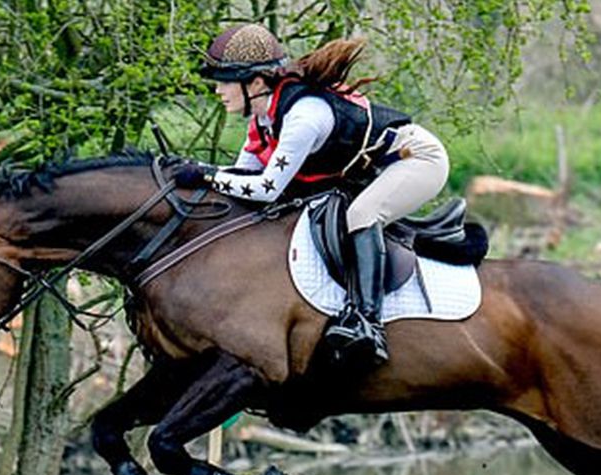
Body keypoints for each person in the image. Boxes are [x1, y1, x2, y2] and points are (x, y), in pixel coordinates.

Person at [176, 23, 450, 369]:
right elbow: (243, 176)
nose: (217, 90)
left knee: (362, 215)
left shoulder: (303, 117)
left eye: (224, 80)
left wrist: (203, 173)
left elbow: (266, 189)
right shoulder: (264, 118)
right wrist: (196, 171)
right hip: (373, 166)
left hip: (417, 159)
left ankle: (368, 323)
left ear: (255, 83)